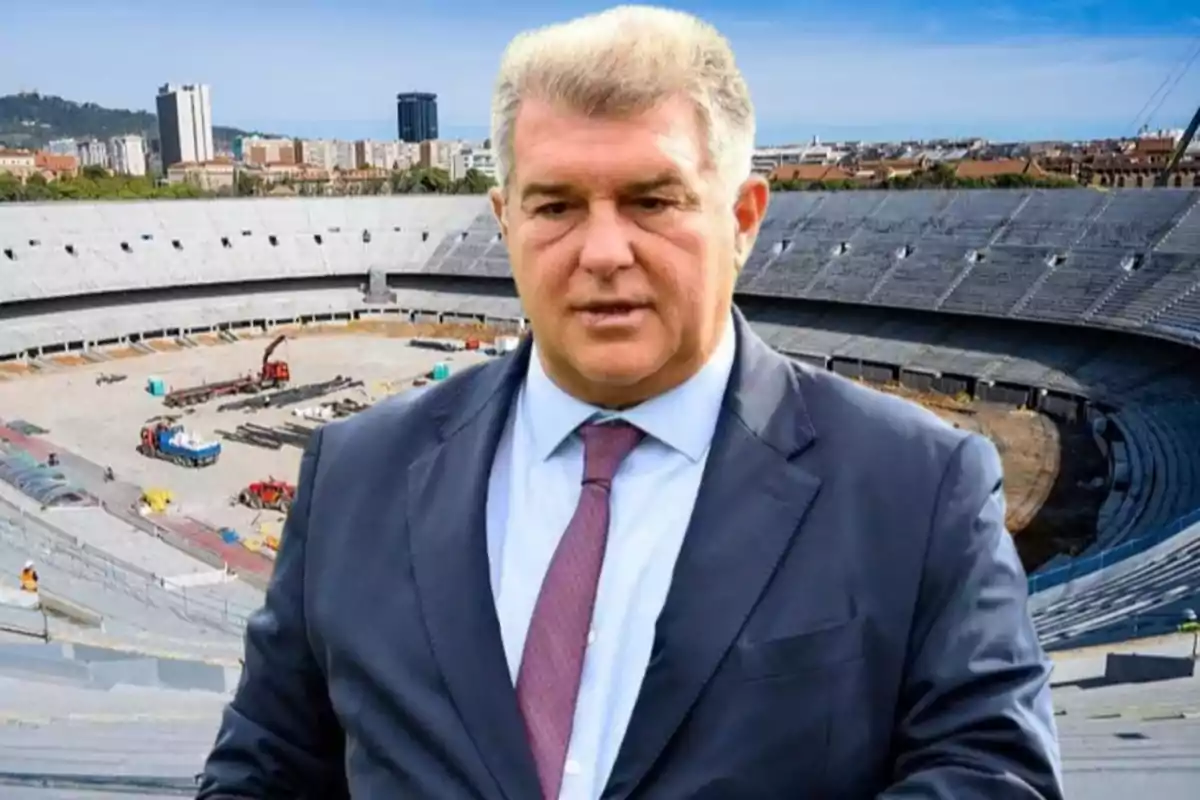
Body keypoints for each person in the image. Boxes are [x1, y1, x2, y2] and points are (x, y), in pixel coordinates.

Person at [197, 5, 1063, 799]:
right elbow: (265, 767)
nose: (603, 250)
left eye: (652, 200)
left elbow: (991, 777)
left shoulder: (917, 485)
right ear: (504, 221)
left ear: (745, 217)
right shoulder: (357, 474)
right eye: (556, 206)